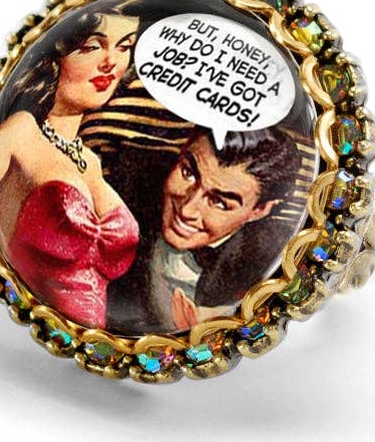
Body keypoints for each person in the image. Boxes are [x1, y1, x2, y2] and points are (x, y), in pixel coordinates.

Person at [0, 0, 142, 329]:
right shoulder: (19, 132)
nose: (111, 63)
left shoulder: (90, 161)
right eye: (92, 46)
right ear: (57, 53)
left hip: (95, 343)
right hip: (19, 328)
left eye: (124, 46)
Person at [105, 126, 302, 334]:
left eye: (219, 202)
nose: (187, 210)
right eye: (188, 173)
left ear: (260, 210)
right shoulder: (126, 181)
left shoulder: (278, 258)